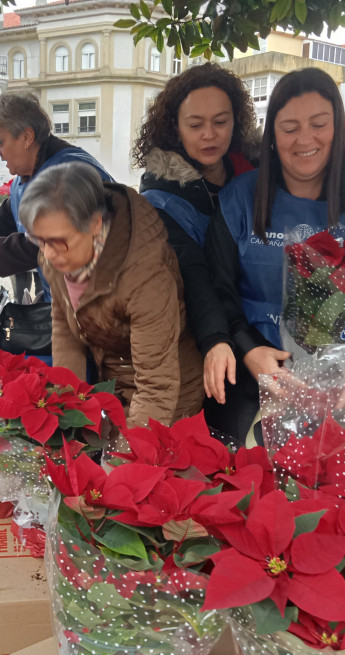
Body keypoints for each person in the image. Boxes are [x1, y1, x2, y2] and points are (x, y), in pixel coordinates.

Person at [205, 68, 345, 441]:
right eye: (289, 128)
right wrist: (248, 349)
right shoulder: (240, 200)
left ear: (337, 126)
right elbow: (216, 288)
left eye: (318, 124)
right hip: (251, 383)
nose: (304, 139)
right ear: (272, 134)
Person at [19, 162, 204, 427]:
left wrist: (123, 459)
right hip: (112, 381)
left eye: (57, 241)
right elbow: (65, 330)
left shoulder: (144, 275)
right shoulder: (59, 253)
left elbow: (156, 387)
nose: (47, 254)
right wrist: (66, 413)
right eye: (39, 240)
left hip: (169, 391)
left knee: (130, 464)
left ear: (95, 224)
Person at [132, 62, 257, 432]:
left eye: (220, 121)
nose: (209, 135)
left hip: (264, 332)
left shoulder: (258, 174)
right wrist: (218, 339)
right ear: (175, 127)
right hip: (202, 339)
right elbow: (193, 273)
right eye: (195, 124)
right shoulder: (162, 199)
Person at [0, 92, 112, 300]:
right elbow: (8, 215)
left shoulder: (69, 173)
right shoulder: (26, 175)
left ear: (27, 137)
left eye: (0, 141)